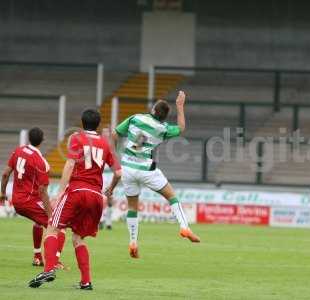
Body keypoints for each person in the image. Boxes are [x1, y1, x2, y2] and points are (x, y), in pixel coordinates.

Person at [28, 109, 121, 290]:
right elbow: (118, 173)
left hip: (77, 190)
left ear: (82, 122)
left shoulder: (76, 138)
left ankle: (48, 269)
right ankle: (86, 282)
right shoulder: (106, 144)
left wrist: (60, 192)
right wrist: (110, 189)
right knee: (78, 238)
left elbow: (70, 164)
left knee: (52, 228)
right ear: (98, 124)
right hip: (96, 195)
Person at [112, 90, 200, 259]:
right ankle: (184, 227)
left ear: (152, 110)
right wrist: (180, 106)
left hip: (128, 169)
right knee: (172, 196)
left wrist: (115, 156)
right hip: (146, 169)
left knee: (132, 207)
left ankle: (133, 242)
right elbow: (181, 128)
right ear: (164, 117)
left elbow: (115, 134)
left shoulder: (135, 118)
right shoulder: (162, 128)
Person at [0, 127, 65, 267]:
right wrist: (50, 214)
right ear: (42, 141)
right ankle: (55, 261)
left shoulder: (18, 151)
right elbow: (43, 190)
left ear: (29, 138)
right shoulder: (39, 160)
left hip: (16, 201)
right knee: (57, 225)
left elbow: (5, 174)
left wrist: (2, 193)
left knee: (38, 222)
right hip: (29, 200)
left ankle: (37, 257)